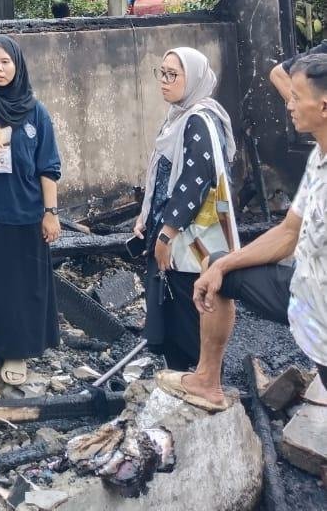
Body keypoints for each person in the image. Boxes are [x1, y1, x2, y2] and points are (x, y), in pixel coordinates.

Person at [155, 52, 327, 411]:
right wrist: (223, 265)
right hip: (305, 290)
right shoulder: (318, 159)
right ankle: (206, 381)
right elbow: (287, 233)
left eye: (296, 97)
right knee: (219, 268)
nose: (289, 104)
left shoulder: (200, 121)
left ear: (323, 107)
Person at [0, 35, 61, 385]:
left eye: (5, 62)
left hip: (26, 213)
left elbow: (48, 166)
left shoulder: (36, 111)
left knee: (21, 286)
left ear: (17, 65)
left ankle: (16, 351)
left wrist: (50, 212)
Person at [133, 47, 238, 373]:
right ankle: (183, 382)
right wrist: (146, 217)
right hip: (175, 232)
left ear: (191, 79)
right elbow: (164, 176)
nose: (164, 82)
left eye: (172, 75)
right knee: (174, 312)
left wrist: (166, 233)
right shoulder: (178, 118)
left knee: (188, 311)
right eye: (161, 73)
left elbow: (194, 182)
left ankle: (201, 383)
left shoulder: (199, 120)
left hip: (190, 242)